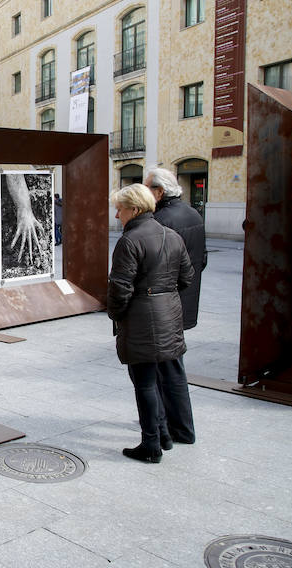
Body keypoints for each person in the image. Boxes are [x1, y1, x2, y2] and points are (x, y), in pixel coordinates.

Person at [107, 184, 194, 464]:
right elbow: (186, 278)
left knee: (144, 382)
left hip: (142, 318)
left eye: (119, 209)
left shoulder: (130, 241)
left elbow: (120, 288)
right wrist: (164, 296)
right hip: (168, 314)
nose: (117, 215)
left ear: (134, 209)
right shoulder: (172, 236)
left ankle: (151, 445)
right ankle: (164, 434)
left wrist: (116, 315)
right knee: (158, 379)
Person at [144, 168, 204, 444]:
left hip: (164, 306)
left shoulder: (160, 222)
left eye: (147, 189)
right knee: (171, 365)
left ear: (158, 192)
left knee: (166, 369)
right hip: (184, 302)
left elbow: (156, 269)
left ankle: (174, 428)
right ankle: (173, 424)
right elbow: (199, 261)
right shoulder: (193, 214)